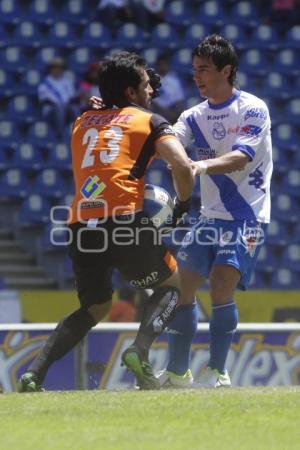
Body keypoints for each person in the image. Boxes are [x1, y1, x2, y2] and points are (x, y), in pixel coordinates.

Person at [19, 51, 194, 392]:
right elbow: (182, 166)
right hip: (125, 219)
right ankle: (139, 352)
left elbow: (105, 121)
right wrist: (183, 206)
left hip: (81, 225)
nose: (151, 92)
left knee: (95, 307)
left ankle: (33, 374)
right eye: (145, 85)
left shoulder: (81, 120)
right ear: (130, 92)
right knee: (173, 285)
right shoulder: (150, 121)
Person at [157, 34, 272, 388]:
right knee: (183, 285)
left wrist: (199, 167)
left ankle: (217, 371)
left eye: (204, 70)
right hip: (209, 217)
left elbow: (242, 157)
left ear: (227, 70)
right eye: (194, 70)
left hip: (247, 216)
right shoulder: (192, 116)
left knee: (222, 283)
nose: (197, 76)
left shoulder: (253, 108)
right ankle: (178, 372)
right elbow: (170, 140)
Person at [37, 57, 79, 139]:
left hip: (66, 107)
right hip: (50, 110)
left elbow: (72, 97)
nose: (57, 70)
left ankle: (79, 132)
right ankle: (60, 134)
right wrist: (60, 106)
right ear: (50, 69)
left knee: (75, 108)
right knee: (59, 108)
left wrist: (67, 105)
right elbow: (45, 100)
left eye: (59, 68)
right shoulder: (45, 84)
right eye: (54, 68)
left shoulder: (67, 82)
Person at [151, 52, 186, 124]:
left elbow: (180, 100)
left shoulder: (174, 80)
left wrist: (173, 114)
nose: (162, 67)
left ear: (168, 65)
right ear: (157, 65)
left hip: (173, 114)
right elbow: (152, 101)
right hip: (158, 113)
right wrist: (164, 112)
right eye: (160, 64)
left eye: (164, 64)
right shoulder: (152, 80)